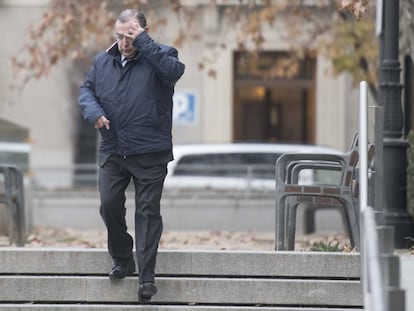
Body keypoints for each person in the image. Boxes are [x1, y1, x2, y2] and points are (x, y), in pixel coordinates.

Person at [78, 9, 185, 303]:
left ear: (142, 32)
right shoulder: (103, 61)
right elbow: (86, 90)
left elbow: (174, 72)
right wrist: (94, 112)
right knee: (109, 205)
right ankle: (123, 258)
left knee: (147, 214)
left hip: (151, 151)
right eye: (120, 36)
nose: (124, 43)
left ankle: (146, 278)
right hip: (113, 148)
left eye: (130, 36)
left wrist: (145, 42)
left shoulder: (162, 55)